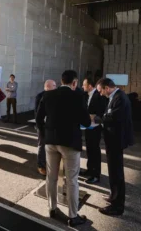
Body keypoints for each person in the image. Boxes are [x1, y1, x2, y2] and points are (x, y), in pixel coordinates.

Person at [37, 70, 91, 227]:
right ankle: (73, 217)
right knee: (72, 180)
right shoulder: (77, 96)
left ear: (61, 81)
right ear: (74, 82)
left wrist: (44, 134)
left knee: (51, 177)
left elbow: (39, 118)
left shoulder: (47, 95)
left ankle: (52, 208)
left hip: (50, 142)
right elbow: (86, 122)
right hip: (69, 143)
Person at [96, 78, 134, 216]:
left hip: (116, 140)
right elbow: (110, 114)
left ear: (107, 88)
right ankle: (114, 196)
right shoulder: (116, 96)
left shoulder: (120, 98)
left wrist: (99, 119)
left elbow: (113, 117)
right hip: (113, 140)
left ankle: (117, 206)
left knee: (117, 172)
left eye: (101, 91)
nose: (100, 94)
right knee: (113, 171)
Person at [80, 78, 108, 184]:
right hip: (88, 127)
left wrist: (94, 117)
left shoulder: (99, 96)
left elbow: (103, 112)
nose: (82, 87)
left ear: (90, 86)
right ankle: (89, 170)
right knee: (89, 149)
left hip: (95, 127)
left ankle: (96, 175)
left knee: (94, 150)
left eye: (84, 85)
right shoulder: (87, 95)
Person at [35, 79, 56, 176]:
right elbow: (38, 114)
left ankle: (49, 164)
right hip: (42, 126)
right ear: (48, 86)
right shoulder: (40, 96)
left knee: (51, 147)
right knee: (42, 146)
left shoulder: (55, 96)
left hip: (51, 126)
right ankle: (41, 166)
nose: (56, 87)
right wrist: (41, 128)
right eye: (54, 85)